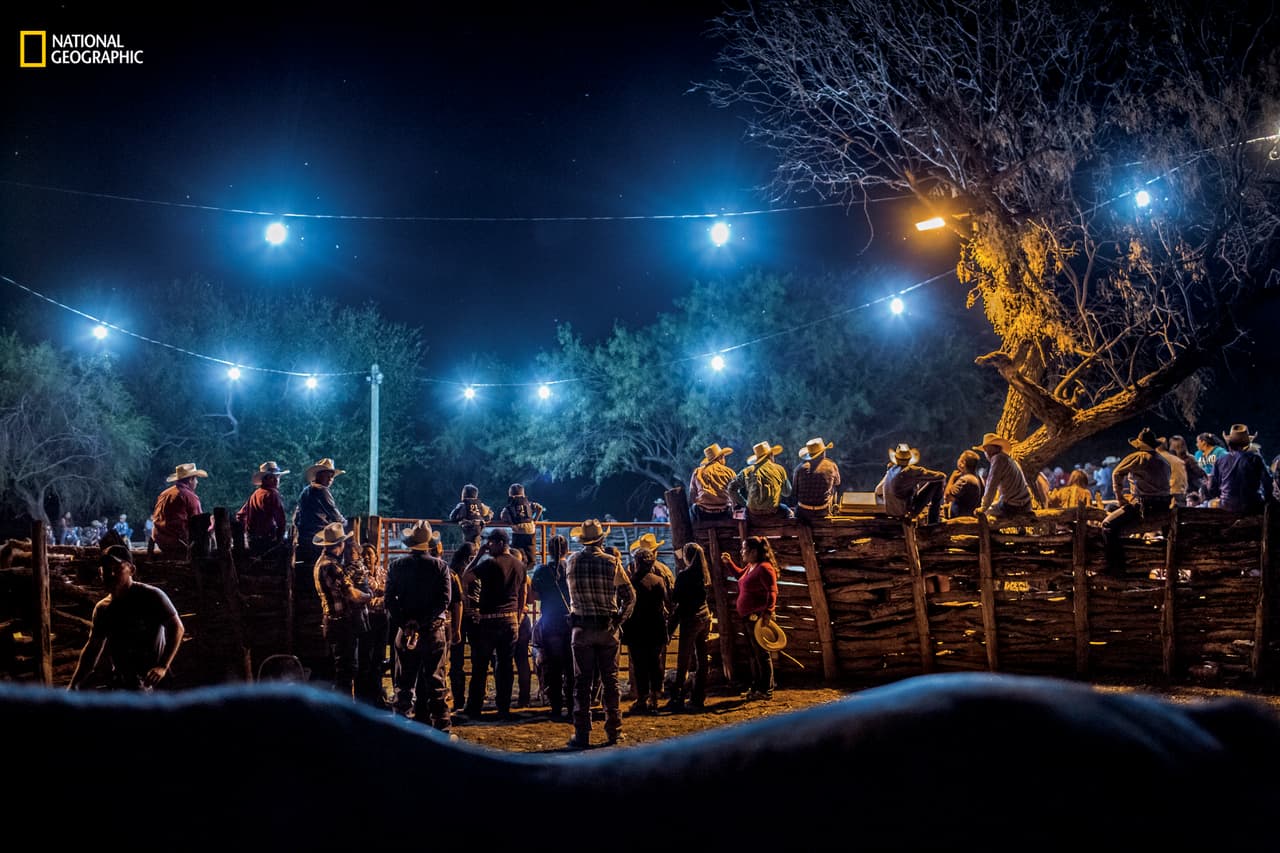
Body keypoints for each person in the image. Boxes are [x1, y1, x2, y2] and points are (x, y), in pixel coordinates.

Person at [69, 545, 184, 691]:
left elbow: (177, 627)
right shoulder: (103, 608)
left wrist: (162, 666)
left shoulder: (151, 596)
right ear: (100, 572)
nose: (110, 574)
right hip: (125, 681)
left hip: (153, 680)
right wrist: (74, 685)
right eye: (106, 569)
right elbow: (93, 648)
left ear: (132, 570)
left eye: (117, 568)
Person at [565, 518, 635, 749]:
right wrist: (619, 619)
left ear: (582, 540)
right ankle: (614, 730)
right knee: (611, 680)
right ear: (602, 539)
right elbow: (630, 597)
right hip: (606, 628)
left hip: (581, 629)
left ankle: (582, 733)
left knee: (582, 683)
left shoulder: (571, 562)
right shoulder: (612, 563)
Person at [384, 521, 453, 731]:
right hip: (432, 631)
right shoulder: (440, 567)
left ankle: (400, 724)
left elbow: (389, 600)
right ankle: (441, 726)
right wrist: (423, 621)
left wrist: (406, 623)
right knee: (436, 681)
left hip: (405, 632)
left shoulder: (396, 566)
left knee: (404, 682)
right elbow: (444, 600)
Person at [459, 528, 526, 721]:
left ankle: (474, 707)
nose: (488, 546)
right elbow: (522, 595)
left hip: (489, 620)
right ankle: (503, 707)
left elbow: (466, 577)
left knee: (480, 665)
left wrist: (478, 555)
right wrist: (519, 616)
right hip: (511, 619)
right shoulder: (520, 566)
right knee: (505, 665)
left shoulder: (489, 564)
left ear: (499, 543)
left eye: (490, 543)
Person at [312, 521, 371, 698]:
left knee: (339, 668)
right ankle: (343, 712)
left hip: (332, 621)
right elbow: (352, 594)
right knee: (346, 669)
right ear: (340, 545)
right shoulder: (332, 566)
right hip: (342, 624)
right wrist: (369, 595)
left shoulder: (321, 563)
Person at [1102, 427, 1172, 573]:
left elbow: (1117, 473)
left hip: (1143, 505)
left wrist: (1120, 497)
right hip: (1163, 506)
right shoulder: (1164, 461)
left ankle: (1116, 567)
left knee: (1108, 525)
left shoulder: (1139, 457)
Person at [719, 535, 779, 700]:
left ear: (753, 551)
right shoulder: (752, 566)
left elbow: (772, 592)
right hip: (748, 617)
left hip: (757, 618)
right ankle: (759, 685)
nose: (742, 551)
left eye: (744, 549)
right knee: (754, 653)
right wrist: (729, 563)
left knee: (761, 653)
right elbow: (740, 576)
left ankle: (766, 689)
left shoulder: (765, 568)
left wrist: (767, 613)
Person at [622, 532, 672, 716]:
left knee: (639, 664)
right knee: (655, 663)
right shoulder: (659, 580)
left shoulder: (631, 581)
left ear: (636, 563)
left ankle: (641, 698)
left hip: (636, 628)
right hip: (655, 626)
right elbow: (667, 601)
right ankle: (655, 697)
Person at [530, 534, 574, 719]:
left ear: (548, 549)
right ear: (566, 549)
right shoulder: (573, 567)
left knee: (553, 668)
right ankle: (572, 707)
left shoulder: (541, 570)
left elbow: (534, 596)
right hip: (571, 621)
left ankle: (556, 708)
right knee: (572, 667)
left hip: (550, 621)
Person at [667, 542, 712, 712]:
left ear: (687, 557)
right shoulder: (704, 573)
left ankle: (678, 696)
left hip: (690, 618)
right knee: (702, 658)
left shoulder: (684, 575)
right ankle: (698, 695)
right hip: (704, 616)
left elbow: (676, 598)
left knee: (683, 659)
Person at [1205, 424, 1274, 515]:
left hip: (1226, 505)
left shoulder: (1220, 461)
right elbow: (1268, 483)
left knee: (1208, 504)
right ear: (1247, 444)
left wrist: (1222, 495)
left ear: (1229, 443)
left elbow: (1212, 488)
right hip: (1252, 506)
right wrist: (1268, 498)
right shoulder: (1255, 459)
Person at [293, 458, 346, 569]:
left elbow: (296, 517)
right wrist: (345, 524)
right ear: (319, 475)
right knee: (343, 548)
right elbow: (334, 513)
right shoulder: (322, 490)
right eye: (328, 475)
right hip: (318, 537)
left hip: (303, 538)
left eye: (332, 476)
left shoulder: (306, 490)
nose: (331, 479)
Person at [876, 442, 946, 524]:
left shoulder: (891, 470)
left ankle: (933, 519)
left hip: (891, 510)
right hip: (906, 511)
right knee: (938, 482)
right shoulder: (911, 472)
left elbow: (878, 490)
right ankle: (933, 521)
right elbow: (941, 476)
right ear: (909, 459)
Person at [151, 462, 209, 556]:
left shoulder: (164, 494)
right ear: (190, 479)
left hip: (160, 541)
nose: (197, 482)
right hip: (179, 544)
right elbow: (198, 523)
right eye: (196, 479)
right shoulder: (189, 496)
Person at [447, 542, 479, 712]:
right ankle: (474, 698)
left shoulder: (453, 571)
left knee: (456, 661)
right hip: (473, 616)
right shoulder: (475, 571)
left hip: (456, 618)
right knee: (477, 660)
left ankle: (459, 699)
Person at [235, 461, 291, 557]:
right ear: (264, 480)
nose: (276, 480)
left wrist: (248, 532)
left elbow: (240, 516)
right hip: (266, 542)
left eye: (277, 477)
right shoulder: (272, 494)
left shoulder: (256, 494)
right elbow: (281, 522)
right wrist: (278, 540)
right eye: (272, 477)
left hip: (253, 541)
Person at [973, 433, 1033, 520]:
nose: (985, 453)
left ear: (989, 449)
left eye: (985, 450)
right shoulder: (1007, 459)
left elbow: (991, 485)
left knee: (986, 514)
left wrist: (983, 507)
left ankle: (991, 533)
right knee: (995, 506)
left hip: (1013, 506)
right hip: (1026, 504)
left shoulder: (997, 460)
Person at [731, 440, 792, 519]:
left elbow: (731, 488)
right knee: (788, 511)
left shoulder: (747, 471)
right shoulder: (779, 469)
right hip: (774, 512)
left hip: (753, 513)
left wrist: (745, 503)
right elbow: (787, 493)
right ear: (771, 455)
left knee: (746, 512)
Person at [793, 437, 841, 521]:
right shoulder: (832, 465)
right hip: (822, 510)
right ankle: (833, 511)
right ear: (823, 452)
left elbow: (794, 491)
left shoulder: (799, 468)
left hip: (803, 511)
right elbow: (838, 482)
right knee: (834, 488)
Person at [688, 443, 737, 521]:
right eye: (723, 457)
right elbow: (735, 493)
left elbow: (692, 495)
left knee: (691, 510)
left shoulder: (697, 472)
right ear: (720, 457)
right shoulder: (729, 472)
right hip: (725, 513)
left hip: (703, 514)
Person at [499, 483, 544, 565]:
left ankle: (519, 570)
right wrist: (534, 521)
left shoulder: (510, 505)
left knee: (517, 555)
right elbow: (540, 508)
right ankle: (528, 568)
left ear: (510, 494)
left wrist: (510, 524)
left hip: (518, 531)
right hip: (530, 530)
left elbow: (503, 515)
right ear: (523, 493)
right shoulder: (529, 504)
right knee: (530, 556)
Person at [944, 450, 984, 519]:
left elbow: (947, 497)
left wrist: (952, 478)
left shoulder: (965, 480)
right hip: (972, 518)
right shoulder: (979, 479)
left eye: (960, 458)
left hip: (960, 520)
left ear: (963, 463)